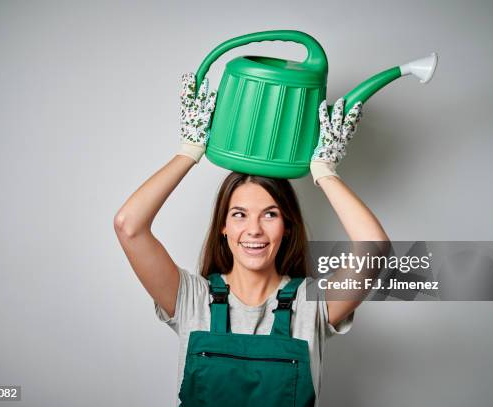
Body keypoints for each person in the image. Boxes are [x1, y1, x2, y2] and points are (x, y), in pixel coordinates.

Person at [114, 73, 389, 406]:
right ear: (223, 227)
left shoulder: (310, 305)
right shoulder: (192, 300)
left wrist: (324, 171)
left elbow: (375, 250)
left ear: (288, 226)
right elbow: (129, 225)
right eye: (239, 214)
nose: (254, 230)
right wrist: (189, 151)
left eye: (270, 214)